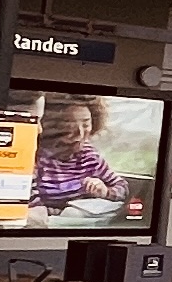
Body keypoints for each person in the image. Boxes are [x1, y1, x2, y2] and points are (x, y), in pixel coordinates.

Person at [30, 94, 134, 222]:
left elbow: (122, 188)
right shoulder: (35, 157)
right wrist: (64, 214)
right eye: (70, 127)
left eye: (86, 124)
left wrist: (105, 191)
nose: (80, 134)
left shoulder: (90, 156)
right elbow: (32, 206)